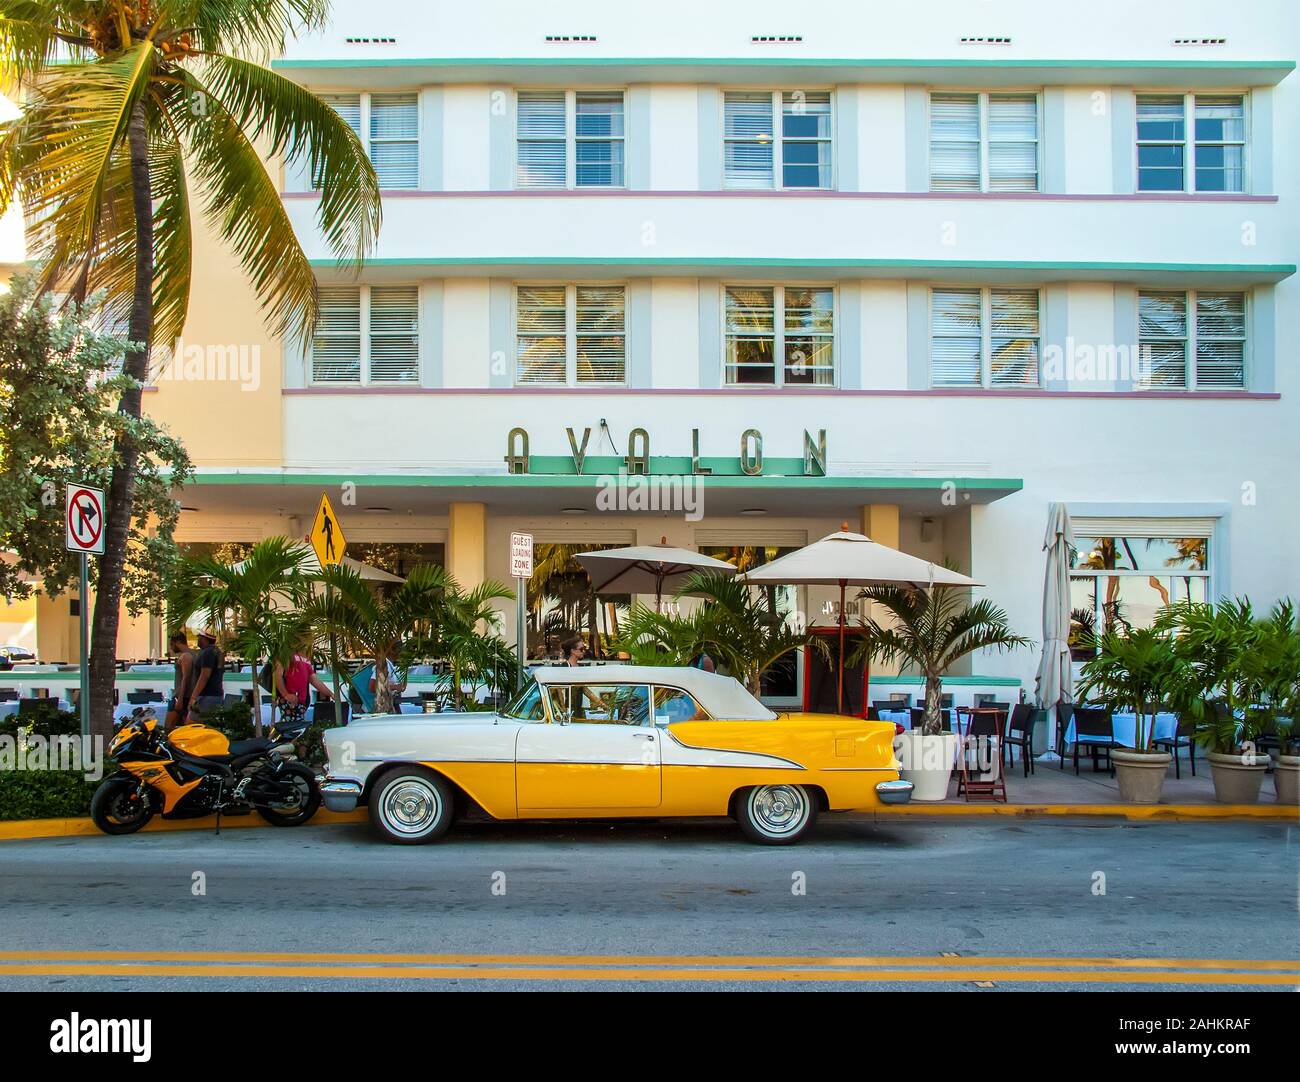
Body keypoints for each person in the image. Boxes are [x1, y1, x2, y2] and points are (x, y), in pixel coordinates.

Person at [273, 647, 334, 727]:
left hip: (301, 700)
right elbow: (277, 674)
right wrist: (286, 695)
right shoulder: (286, 653)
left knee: (298, 725)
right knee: (289, 726)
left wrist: (331, 694)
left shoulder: (306, 659)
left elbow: (314, 680)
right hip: (289, 699)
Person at [187, 629, 226, 723]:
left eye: (199, 636)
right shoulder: (216, 651)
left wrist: (193, 697)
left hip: (207, 696)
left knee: (192, 724)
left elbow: (205, 675)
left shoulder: (208, 653)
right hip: (214, 694)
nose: (197, 638)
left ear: (204, 638)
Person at [165, 631, 196, 730]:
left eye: (171, 644)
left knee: (168, 727)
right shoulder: (193, 654)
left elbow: (185, 678)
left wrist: (180, 699)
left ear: (178, 642)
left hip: (181, 696)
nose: (171, 647)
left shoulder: (186, 656)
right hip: (187, 696)